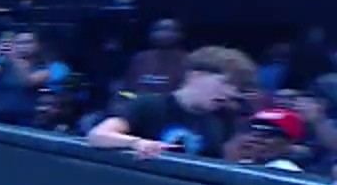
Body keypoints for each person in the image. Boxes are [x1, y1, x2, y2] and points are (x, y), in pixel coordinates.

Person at [86, 46, 244, 159]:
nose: (230, 93)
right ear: (197, 75)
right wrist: (137, 143)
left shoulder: (220, 121)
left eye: (235, 88)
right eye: (225, 83)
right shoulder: (150, 105)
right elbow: (98, 135)